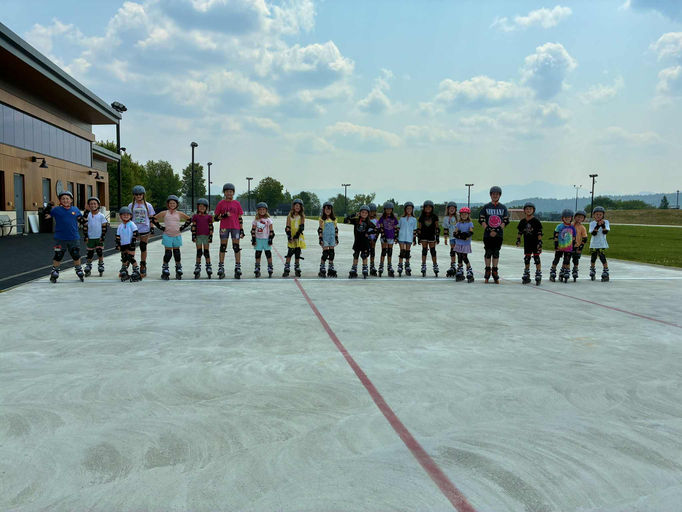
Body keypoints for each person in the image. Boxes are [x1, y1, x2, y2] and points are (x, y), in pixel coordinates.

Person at [44, 190, 85, 283]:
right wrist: (47, 208)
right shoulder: (56, 210)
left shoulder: (75, 209)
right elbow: (47, 216)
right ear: (60, 201)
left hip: (74, 237)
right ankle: (55, 271)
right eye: (63, 199)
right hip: (60, 238)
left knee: (76, 254)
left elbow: (81, 220)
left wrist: (85, 215)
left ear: (71, 200)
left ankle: (78, 269)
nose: (65, 200)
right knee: (58, 255)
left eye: (67, 198)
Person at [153, 195, 191, 280]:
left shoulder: (179, 213)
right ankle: (165, 268)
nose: (172, 205)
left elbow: (189, 219)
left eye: (174, 203)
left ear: (177, 204)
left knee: (177, 253)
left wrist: (182, 227)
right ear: (168, 204)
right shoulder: (164, 213)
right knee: (168, 253)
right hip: (167, 235)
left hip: (177, 235)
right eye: (170, 203)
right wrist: (161, 227)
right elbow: (154, 218)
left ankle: (178, 267)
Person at [478, 185, 510, 283]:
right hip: (488, 234)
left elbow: (506, 221)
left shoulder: (503, 208)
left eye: (497, 194)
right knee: (488, 252)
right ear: (490, 195)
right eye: (493, 194)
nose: (495, 195)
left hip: (498, 235)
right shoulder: (486, 207)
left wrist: (496, 231)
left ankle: (495, 270)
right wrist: (489, 230)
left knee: (496, 252)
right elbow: (481, 220)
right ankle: (487, 270)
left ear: (500, 195)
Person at [213, 183, 245, 279]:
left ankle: (238, 266)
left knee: (236, 247)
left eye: (231, 192)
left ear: (233, 193)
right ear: (224, 193)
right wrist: (223, 216)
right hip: (224, 227)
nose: (229, 193)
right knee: (223, 246)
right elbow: (216, 218)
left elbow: (240, 218)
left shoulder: (237, 203)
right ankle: (221, 267)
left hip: (235, 227)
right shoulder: (221, 203)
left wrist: (241, 229)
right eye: (227, 192)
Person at [128, 185, 156, 278]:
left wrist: (152, 228)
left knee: (143, 247)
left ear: (143, 195)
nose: (138, 196)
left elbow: (151, 218)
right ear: (134, 195)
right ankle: (128, 265)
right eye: (136, 194)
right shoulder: (131, 205)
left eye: (140, 194)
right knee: (130, 248)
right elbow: (128, 218)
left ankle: (143, 265)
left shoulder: (148, 205)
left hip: (144, 229)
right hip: (134, 229)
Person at [516, 202, 543, 285]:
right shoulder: (523, 221)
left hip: (535, 242)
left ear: (533, 210)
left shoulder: (536, 221)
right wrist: (518, 240)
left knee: (536, 258)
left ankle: (538, 272)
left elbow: (539, 232)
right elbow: (520, 232)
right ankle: (526, 273)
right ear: (524, 210)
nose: (528, 210)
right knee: (527, 258)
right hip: (527, 242)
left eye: (530, 209)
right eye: (527, 209)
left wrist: (540, 242)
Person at [82, 196, 108, 277]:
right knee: (90, 253)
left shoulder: (101, 216)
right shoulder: (87, 215)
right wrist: (85, 236)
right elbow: (85, 226)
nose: (93, 205)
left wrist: (103, 236)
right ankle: (88, 265)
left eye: (94, 204)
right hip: (90, 238)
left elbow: (104, 227)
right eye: (91, 204)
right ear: (88, 205)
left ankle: (100, 264)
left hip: (98, 237)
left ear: (98, 205)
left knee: (99, 252)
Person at [550, 209, 577, 283]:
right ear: (562, 218)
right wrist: (556, 245)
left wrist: (573, 246)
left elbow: (574, 237)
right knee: (556, 259)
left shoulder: (572, 227)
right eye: (565, 217)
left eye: (569, 217)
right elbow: (555, 235)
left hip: (568, 247)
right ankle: (553, 270)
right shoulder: (559, 226)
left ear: (571, 218)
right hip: (560, 247)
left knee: (567, 260)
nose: (567, 219)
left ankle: (564, 270)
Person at [348, 204, 375, 278]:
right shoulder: (356, 220)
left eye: (366, 213)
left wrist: (369, 234)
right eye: (362, 212)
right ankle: (354, 268)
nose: (364, 214)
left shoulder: (369, 222)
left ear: (368, 214)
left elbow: (375, 229)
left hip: (365, 242)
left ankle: (365, 268)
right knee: (356, 255)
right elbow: (346, 220)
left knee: (364, 255)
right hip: (357, 242)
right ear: (360, 213)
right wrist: (352, 215)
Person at [115, 206, 141, 282]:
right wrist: (118, 244)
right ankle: (124, 270)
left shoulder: (131, 224)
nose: (126, 216)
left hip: (131, 244)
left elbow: (135, 233)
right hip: (123, 244)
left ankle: (136, 270)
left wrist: (133, 242)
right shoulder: (120, 226)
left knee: (130, 257)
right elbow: (117, 236)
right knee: (124, 258)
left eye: (127, 215)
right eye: (124, 215)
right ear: (120, 216)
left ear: (130, 216)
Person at [191, 198, 214, 279]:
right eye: (200, 206)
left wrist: (211, 236)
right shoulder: (195, 216)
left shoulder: (209, 217)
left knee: (206, 252)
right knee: (199, 252)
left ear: (206, 208)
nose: (202, 208)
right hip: (198, 236)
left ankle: (208, 266)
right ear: (197, 207)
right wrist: (193, 235)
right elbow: (193, 226)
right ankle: (197, 267)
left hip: (206, 236)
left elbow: (211, 227)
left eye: (204, 207)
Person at [251, 202, 275, 278]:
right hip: (258, 239)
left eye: (263, 209)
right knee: (258, 254)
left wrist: (270, 239)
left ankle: (270, 267)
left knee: (268, 254)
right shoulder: (256, 220)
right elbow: (253, 230)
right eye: (260, 209)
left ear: (266, 210)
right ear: (257, 211)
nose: (262, 211)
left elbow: (271, 231)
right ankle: (257, 268)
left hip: (266, 239)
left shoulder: (268, 220)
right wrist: (253, 239)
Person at [417, 200, 440, 277]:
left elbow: (437, 228)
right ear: (424, 208)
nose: (428, 208)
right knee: (424, 251)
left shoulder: (434, 217)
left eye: (429, 207)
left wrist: (437, 237)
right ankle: (423, 265)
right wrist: (419, 237)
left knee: (433, 251)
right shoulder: (421, 217)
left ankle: (435, 265)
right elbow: (419, 228)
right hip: (423, 235)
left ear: (432, 208)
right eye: (426, 207)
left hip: (431, 236)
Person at [283, 199, 306, 277]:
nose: (297, 207)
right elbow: (287, 226)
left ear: (301, 207)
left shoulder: (302, 216)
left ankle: (297, 266)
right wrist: (289, 236)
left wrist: (296, 236)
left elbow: (302, 227)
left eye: (299, 206)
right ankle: (287, 267)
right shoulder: (289, 215)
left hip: (298, 236)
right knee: (290, 252)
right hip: (291, 236)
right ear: (293, 206)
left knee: (297, 252)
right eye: (296, 205)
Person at [377, 201, 399, 277]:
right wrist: (383, 235)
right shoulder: (382, 218)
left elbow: (396, 228)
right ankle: (381, 266)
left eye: (390, 209)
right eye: (387, 209)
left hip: (391, 237)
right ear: (384, 210)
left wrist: (396, 237)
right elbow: (380, 227)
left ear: (392, 210)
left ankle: (389, 266)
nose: (388, 210)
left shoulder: (394, 218)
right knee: (383, 251)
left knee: (390, 252)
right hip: (384, 237)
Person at [453, 207, 475, 283]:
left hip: (466, 243)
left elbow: (471, 232)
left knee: (464, 257)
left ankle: (469, 270)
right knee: (459, 256)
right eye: (462, 214)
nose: (464, 216)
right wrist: (458, 235)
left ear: (468, 215)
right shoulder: (458, 224)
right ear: (460, 215)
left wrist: (467, 235)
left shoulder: (470, 223)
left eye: (465, 214)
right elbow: (455, 232)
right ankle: (460, 269)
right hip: (459, 243)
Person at [589, 206, 610, 282]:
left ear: (603, 215)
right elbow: (593, 233)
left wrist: (603, 225)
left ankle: (605, 270)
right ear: (594, 215)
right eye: (597, 214)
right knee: (593, 257)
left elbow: (605, 232)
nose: (598, 216)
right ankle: (592, 269)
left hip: (602, 243)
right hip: (594, 243)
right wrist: (598, 225)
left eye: (600, 214)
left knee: (602, 256)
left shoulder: (606, 222)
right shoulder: (592, 223)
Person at [318, 201, 338, 278]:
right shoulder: (322, 219)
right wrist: (320, 238)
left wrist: (336, 238)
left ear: (331, 210)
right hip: (325, 238)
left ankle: (331, 267)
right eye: (326, 209)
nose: (328, 210)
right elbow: (320, 230)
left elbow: (336, 229)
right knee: (325, 254)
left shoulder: (334, 219)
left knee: (332, 253)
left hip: (332, 238)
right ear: (323, 210)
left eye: (329, 209)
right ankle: (322, 267)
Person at [397, 201, 417, 276]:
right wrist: (396, 237)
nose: (409, 210)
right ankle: (400, 265)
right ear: (405, 209)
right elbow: (398, 228)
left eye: (410, 209)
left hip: (409, 237)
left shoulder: (414, 219)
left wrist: (414, 239)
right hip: (401, 237)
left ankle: (407, 265)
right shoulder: (402, 218)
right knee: (402, 252)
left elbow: (414, 230)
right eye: (407, 208)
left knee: (407, 252)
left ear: (412, 210)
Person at [442, 201, 458, 277]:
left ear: (455, 209)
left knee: (459, 252)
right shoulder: (446, 218)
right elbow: (445, 229)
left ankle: (460, 266)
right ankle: (453, 265)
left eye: (453, 208)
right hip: (451, 237)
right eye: (450, 208)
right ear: (448, 209)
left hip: (458, 237)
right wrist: (445, 239)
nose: (451, 209)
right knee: (452, 251)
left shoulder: (458, 217)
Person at [572, 209, 588, 281]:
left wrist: (580, 247)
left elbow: (585, 238)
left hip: (577, 246)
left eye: (581, 217)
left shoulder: (582, 227)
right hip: (568, 245)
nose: (579, 219)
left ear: (583, 219)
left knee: (576, 259)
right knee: (567, 259)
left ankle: (575, 269)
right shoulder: (571, 225)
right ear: (574, 217)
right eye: (578, 217)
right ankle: (565, 269)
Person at [368, 203, 379, 275]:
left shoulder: (376, 221)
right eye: (371, 211)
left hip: (373, 239)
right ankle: (365, 265)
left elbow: (377, 231)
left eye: (373, 211)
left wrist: (374, 239)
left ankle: (372, 265)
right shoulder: (365, 220)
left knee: (372, 251)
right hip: (366, 238)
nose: (372, 213)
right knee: (365, 253)